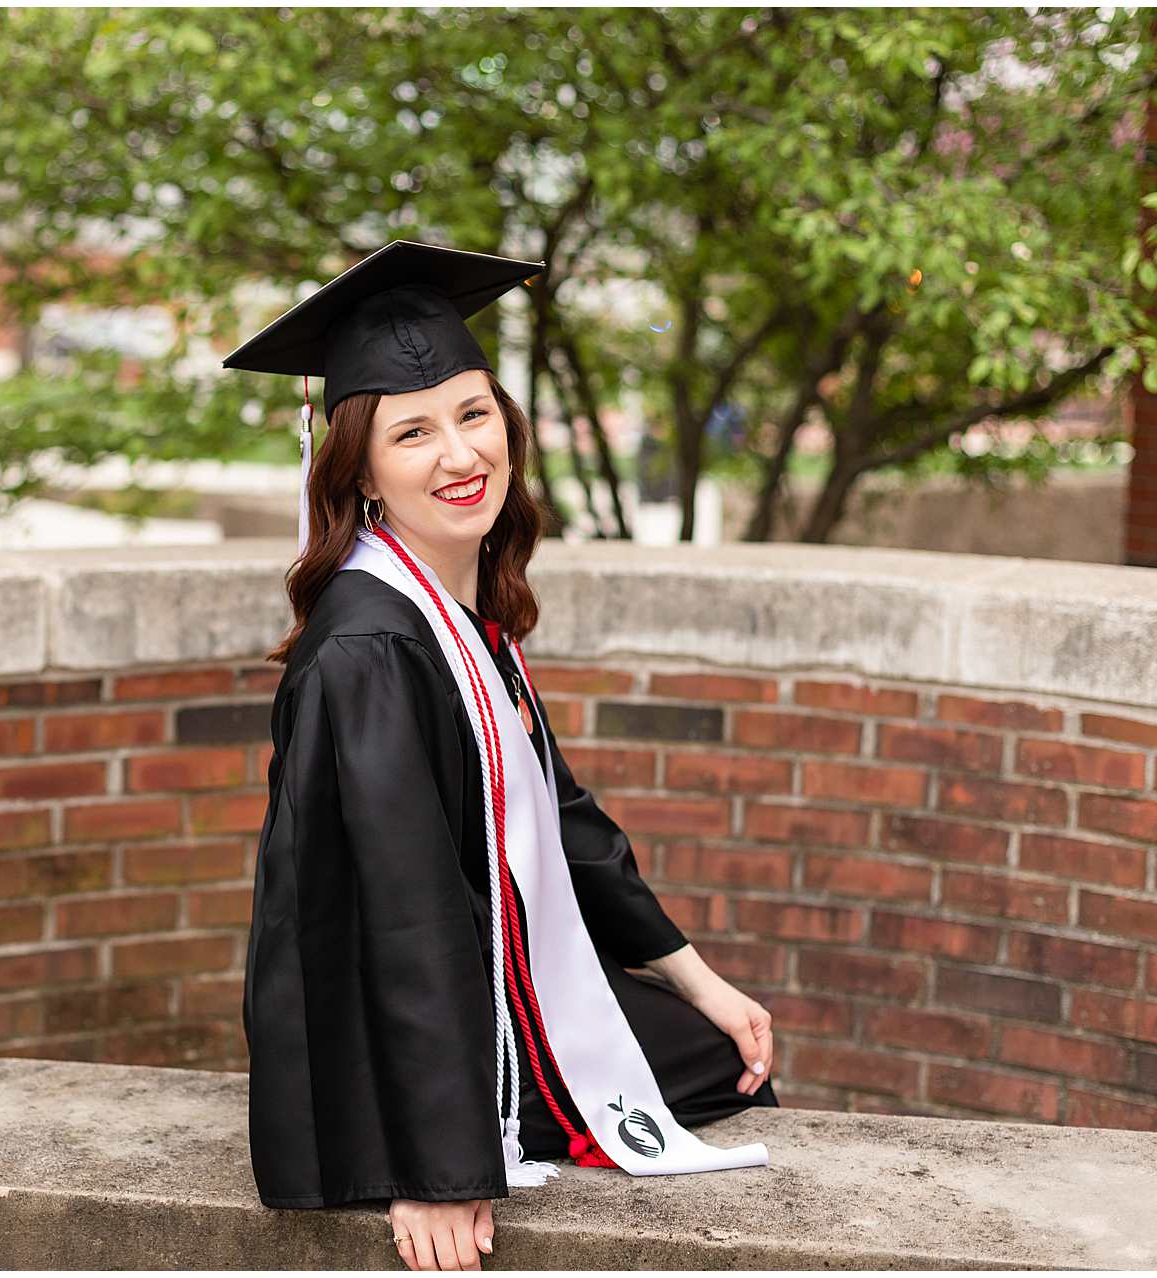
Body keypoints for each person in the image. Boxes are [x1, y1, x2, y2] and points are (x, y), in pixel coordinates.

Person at [224, 242, 778, 1272]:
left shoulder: (455, 606)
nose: (457, 454)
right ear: (360, 471)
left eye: (472, 414)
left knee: (717, 1056)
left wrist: (694, 976)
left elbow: (554, 814)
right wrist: (437, 1166)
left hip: (488, 981)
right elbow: (403, 909)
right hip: (401, 1034)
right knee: (698, 1085)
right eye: (412, 432)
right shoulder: (370, 647)